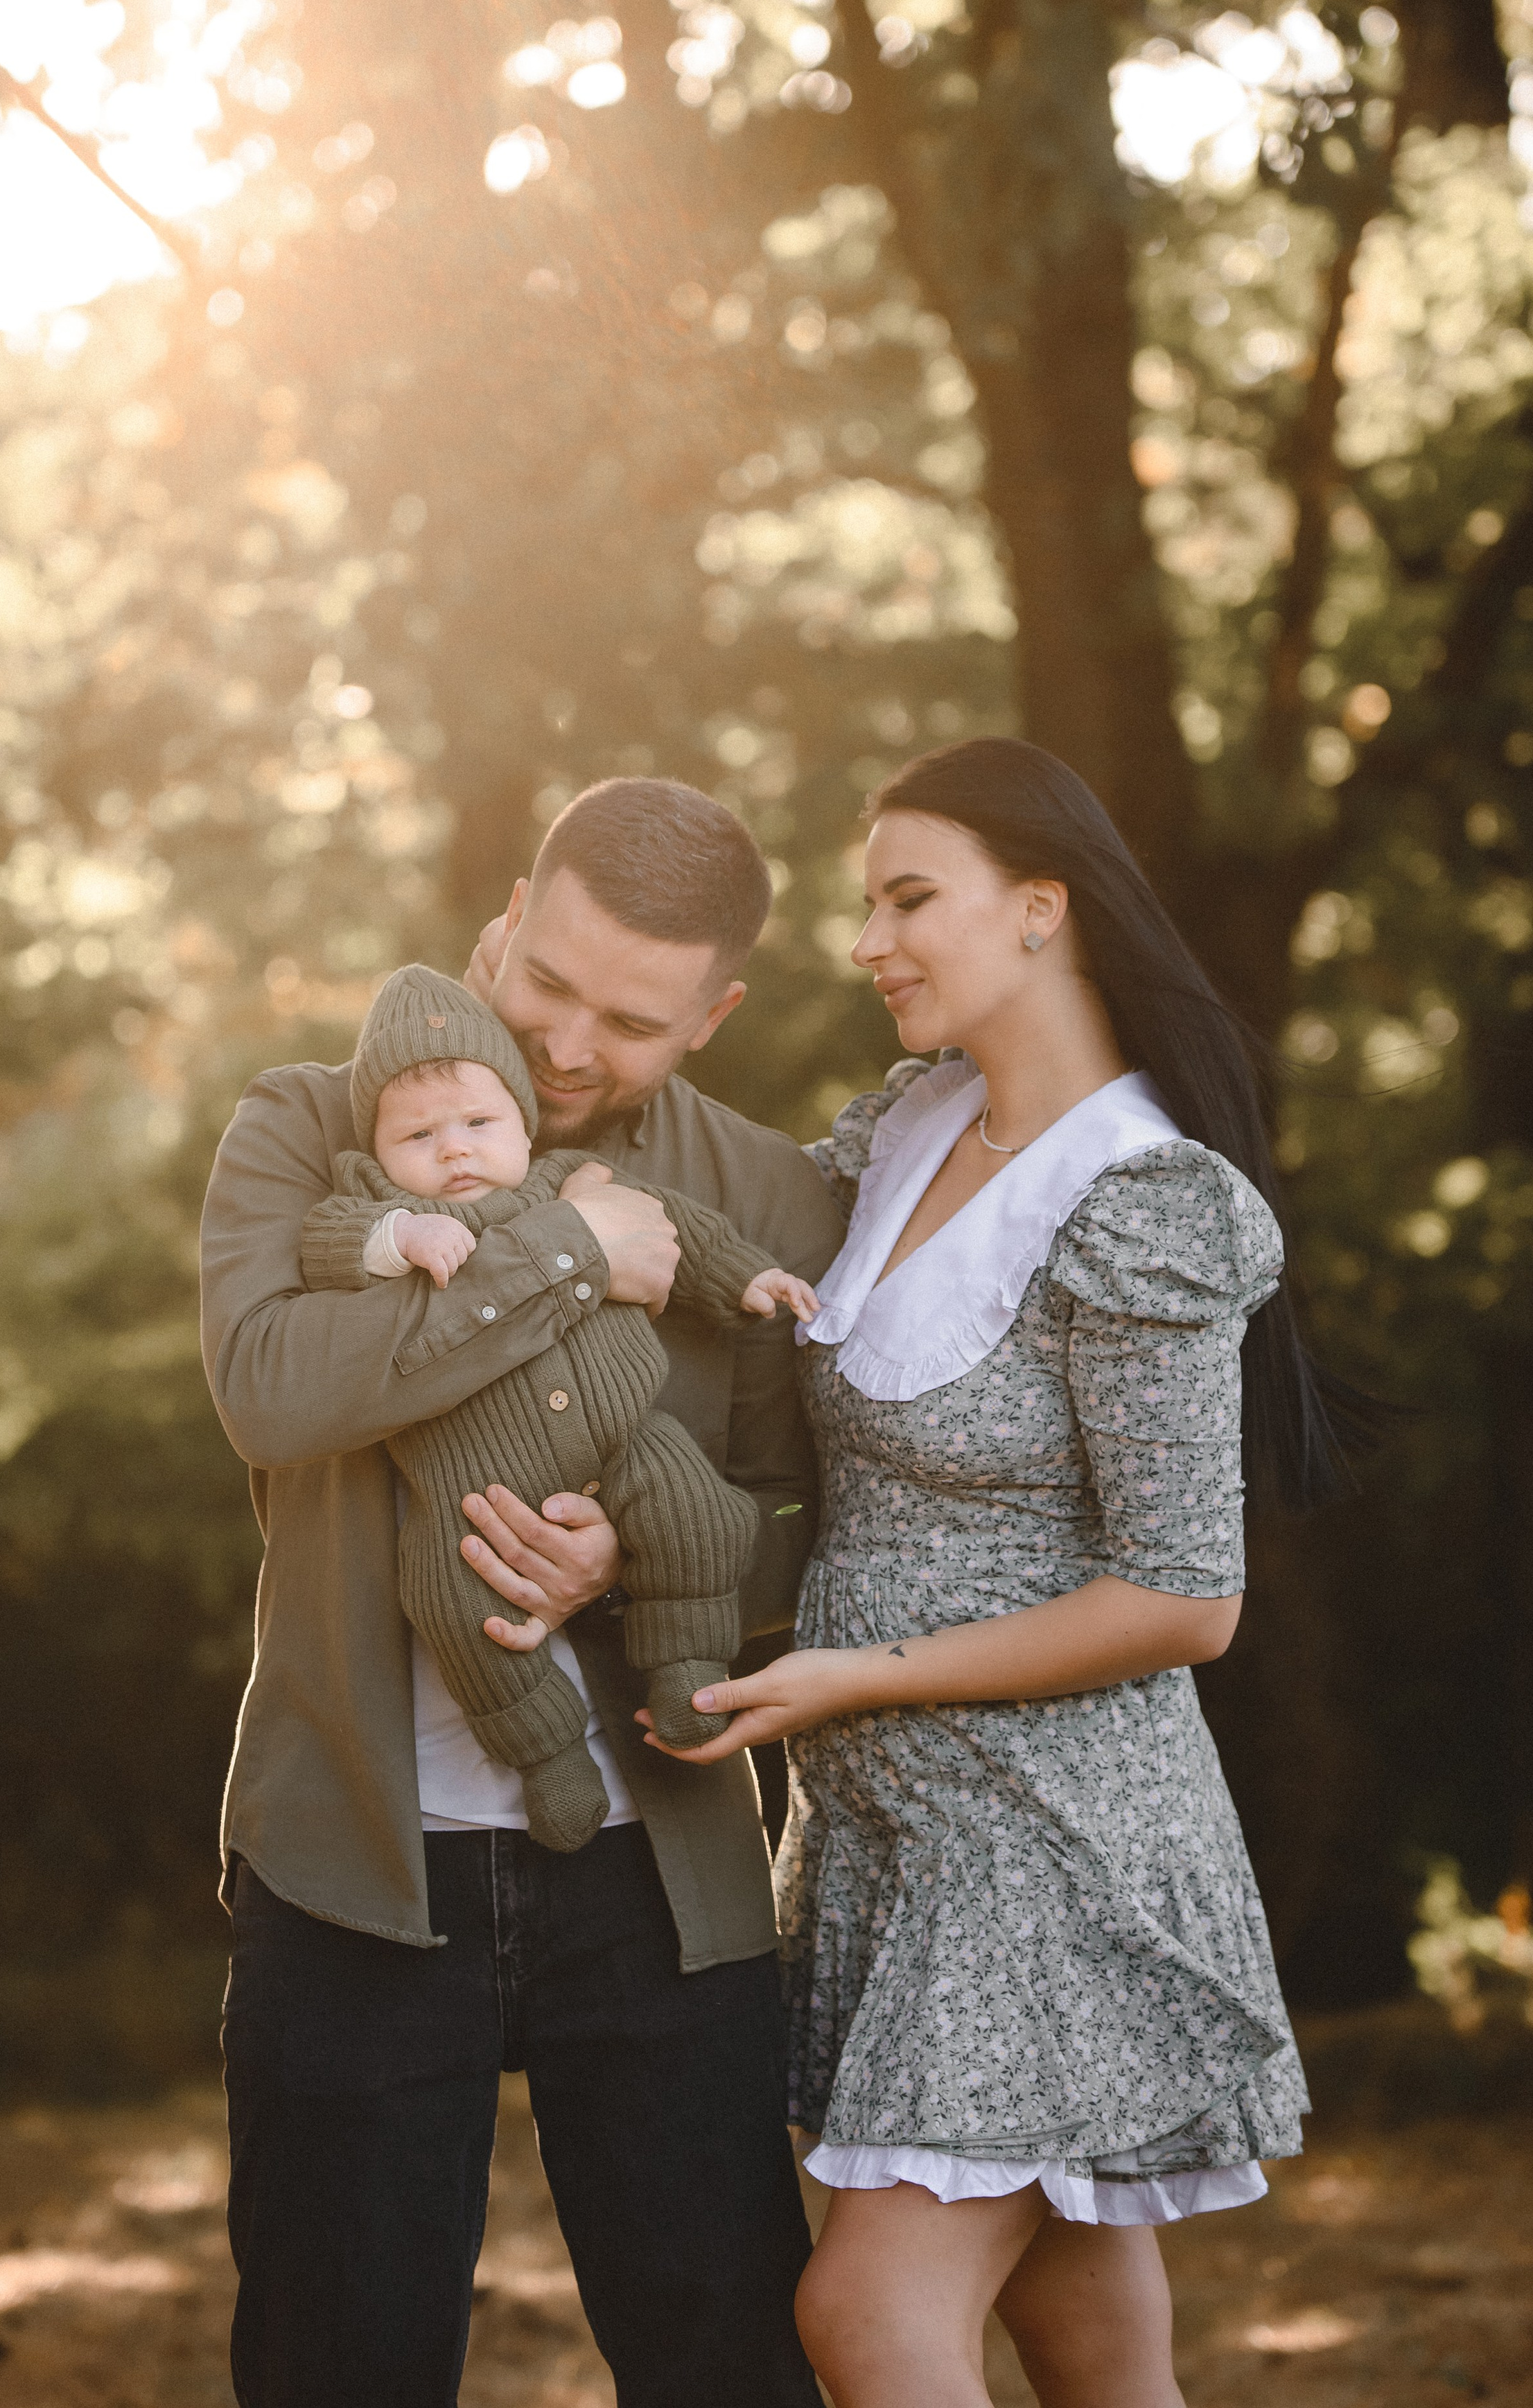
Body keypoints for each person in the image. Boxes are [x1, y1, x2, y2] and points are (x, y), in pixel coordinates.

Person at [642, 739, 1344, 2408]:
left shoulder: (1138, 1196)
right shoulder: (910, 1123)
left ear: (1039, 906)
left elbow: (1183, 1596)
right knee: (1087, 2341)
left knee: (868, 2315)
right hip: (893, 1840)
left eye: (908, 898)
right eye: (865, 904)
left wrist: (857, 1674)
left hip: (1048, 1848)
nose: (867, 940)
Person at [200, 777, 842, 2408]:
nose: (561, 1044)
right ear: (505, 917)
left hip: (658, 1874)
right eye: (545, 980)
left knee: (724, 2364)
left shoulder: (760, 1193)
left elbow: (818, 1522)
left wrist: (641, 1559)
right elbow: (269, 1387)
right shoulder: (303, 1126)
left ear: (712, 1016)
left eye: (628, 1021)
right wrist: (568, 1253)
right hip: (351, 1862)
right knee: (336, 2367)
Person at [295, 959, 818, 1849]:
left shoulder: (569, 1179)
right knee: (455, 1606)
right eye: (418, 1134)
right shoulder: (378, 1207)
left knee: (697, 1514)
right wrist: (400, 1235)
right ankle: (547, 1757)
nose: (454, 1149)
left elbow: (677, 1228)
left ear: (521, 1122)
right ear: (375, 1153)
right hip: (471, 1492)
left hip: (624, 1439)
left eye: (478, 1123)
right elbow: (326, 1245)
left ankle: (685, 1668)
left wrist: (743, 1274)